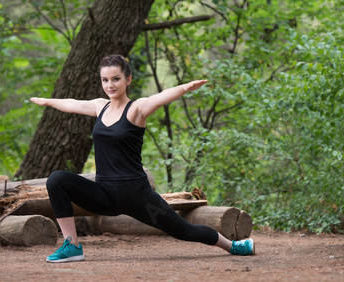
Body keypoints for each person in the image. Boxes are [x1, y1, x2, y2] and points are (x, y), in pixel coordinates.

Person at [30, 54, 255, 263]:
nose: (110, 85)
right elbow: (73, 104)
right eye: (105, 80)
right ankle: (72, 246)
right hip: (104, 195)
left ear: (128, 79)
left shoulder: (136, 109)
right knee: (57, 180)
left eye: (116, 79)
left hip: (137, 196)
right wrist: (48, 101)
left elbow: (159, 98)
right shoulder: (100, 107)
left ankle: (234, 246)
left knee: (185, 231)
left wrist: (185, 87)